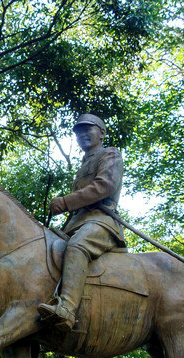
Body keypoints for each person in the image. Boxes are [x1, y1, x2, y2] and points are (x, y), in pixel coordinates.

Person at [37, 114, 126, 331]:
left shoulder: (110, 154)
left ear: (102, 133)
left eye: (88, 129)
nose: (82, 135)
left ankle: (66, 309)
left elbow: (103, 186)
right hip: (77, 224)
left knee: (77, 247)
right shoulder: (84, 164)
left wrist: (66, 202)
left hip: (102, 221)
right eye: (78, 132)